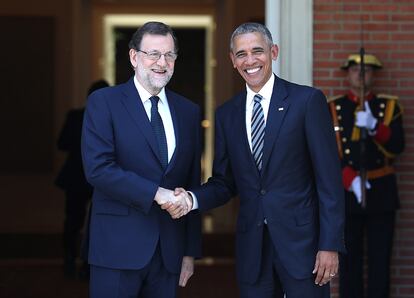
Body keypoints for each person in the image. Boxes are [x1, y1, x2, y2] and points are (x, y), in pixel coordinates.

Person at [164, 22, 345, 298]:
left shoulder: (307, 101)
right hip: (253, 250)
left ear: (273, 52)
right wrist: (191, 199)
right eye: (241, 54)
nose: (250, 61)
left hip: (304, 248)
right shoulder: (226, 114)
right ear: (232, 60)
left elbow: (329, 181)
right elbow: (225, 182)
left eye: (257, 51)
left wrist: (329, 245)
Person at [81, 21, 202, 298]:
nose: (162, 62)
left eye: (169, 55)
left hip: (169, 252)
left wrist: (189, 251)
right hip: (116, 249)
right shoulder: (104, 102)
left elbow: (191, 180)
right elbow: (98, 169)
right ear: (134, 57)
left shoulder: (188, 111)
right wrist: (156, 194)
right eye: (153, 54)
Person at [328, 54, 405, 298]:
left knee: (380, 260)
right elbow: (326, 152)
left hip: (381, 190)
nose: (361, 74)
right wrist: (349, 178)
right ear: (347, 74)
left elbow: (397, 146)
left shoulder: (388, 106)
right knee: (349, 262)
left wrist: (375, 127)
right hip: (347, 192)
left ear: (374, 75)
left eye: (367, 70)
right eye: (355, 70)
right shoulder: (334, 107)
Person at [55, 79, 109, 279]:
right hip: (99, 179)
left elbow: (62, 144)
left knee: (73, 221)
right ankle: (86, 264)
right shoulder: (110, 119)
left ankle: (70, 260)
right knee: (94, 223)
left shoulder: (76, 116)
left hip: (78, 177)